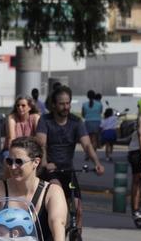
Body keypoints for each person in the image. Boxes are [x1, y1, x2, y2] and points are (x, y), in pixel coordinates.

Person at [34, 84, 104, 230]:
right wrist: (45, 163)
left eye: (68, 103)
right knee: (57, 193)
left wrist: (97, 162)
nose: (66, 107)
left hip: (68, 170)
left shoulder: (76, 122)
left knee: (78, 208)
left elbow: (87, 145)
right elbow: (41, 143)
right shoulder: (45, 120)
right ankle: (55, 236)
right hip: (51, 171)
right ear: (54, 105)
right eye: (61, 104)